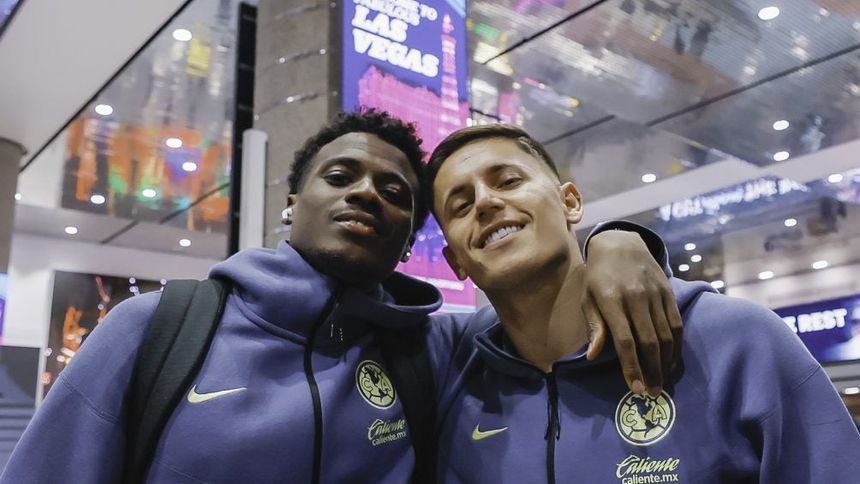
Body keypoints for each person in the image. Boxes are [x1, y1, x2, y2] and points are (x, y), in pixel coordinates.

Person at [1, 110, 678, 483]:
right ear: (293, 201)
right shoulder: (157, 331)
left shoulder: (430, 348)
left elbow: (538, 309)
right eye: (340, 176)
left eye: (393, 192)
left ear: (409, 240)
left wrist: (617, 241)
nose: (365, 194)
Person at [427, 124, 860, 483]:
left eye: (509, 181)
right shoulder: (450, 372)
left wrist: (617, 236)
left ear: (570, 202)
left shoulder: (736, 339)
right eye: (461, 206)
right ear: (455, 262)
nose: (486, 202)